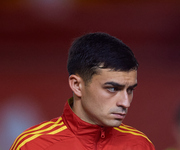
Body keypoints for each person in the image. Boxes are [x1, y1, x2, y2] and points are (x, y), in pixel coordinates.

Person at [10, 32, 155, 150]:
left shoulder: (140, 145)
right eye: (112, 88)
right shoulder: (32, 146)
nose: (125, 102)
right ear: (77, 85)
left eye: (130, 90)